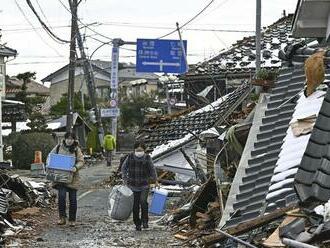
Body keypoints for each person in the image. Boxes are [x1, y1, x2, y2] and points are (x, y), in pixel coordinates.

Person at [121, 141, 159, 231]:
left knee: (143, 202)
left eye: (141, 150)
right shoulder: (130, 157)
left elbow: (152, 169)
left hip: (144, 185)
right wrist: (125, 178)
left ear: (144, 150)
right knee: (135, 205)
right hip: (132, 185)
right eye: (137, 150)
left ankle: (145, 221)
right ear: (134, 150)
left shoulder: (147, 158)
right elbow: (124, 167)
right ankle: (137, 223)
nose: (139, 152)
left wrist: (155, 180)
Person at [49, 131, 84, 227]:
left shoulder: (76, 149)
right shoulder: (58, 147)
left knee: (73, 199)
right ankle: (62, 217)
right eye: (68, 138)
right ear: (64, 139)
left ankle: (72, 219)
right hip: (61, 177)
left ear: (74, 140)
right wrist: (50, 165)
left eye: (71, 139)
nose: (69, 141)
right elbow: (50, 157)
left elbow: (81, 161)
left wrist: (76, 167)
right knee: (61, 197)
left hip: (73, 177)